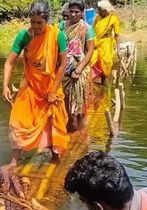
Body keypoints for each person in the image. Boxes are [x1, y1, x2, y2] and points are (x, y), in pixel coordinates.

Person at [3, 0, 69, 166]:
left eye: (39, 23)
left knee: (53, 121)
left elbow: (63, 65)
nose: (36, 26)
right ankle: (15, 160)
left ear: (47, 20)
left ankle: (55, 157)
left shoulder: (57, 35)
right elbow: (9, 62)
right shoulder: (24, 35)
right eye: (32, 22)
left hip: (50, 86)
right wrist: (5, 85)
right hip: (30, 85)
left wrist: (53, 90)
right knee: (17, 121)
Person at [60, 0, 95, 132]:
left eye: (77, 12)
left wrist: (79, 69)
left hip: (79, 67)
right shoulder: (62, 26)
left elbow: (90, 50)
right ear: (68, 11)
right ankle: (68, 130)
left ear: (82, 13)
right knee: (65, 103)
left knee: (77, 104)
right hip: (63, 67)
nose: (73, 14)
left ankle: (79, 132)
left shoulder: (87, 28)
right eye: (71, 11)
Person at [90, 0, 121, 83]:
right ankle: (92, 81)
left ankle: (105, 81)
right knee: (92, 60)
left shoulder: (113, 19)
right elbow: (92, 30)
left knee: (106, 63)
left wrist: (118, 49)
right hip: (96, 42)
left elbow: (117, 35)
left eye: (100, 9)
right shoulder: (97, 17)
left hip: (107, 44)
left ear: (105, 10)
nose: (98, 11)